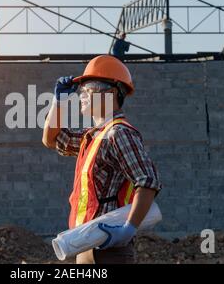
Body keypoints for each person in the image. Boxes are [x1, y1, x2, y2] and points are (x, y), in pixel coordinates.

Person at [42, 55, 162, 264]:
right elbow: (52, 139)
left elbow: (147, 182)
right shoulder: (94, 136)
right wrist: (58, 103)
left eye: (89, 90)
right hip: (85, 244)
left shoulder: (119, 133)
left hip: (110, 250)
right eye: (82, 91)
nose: (82, 96)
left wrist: (128, 229)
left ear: (111, 92)